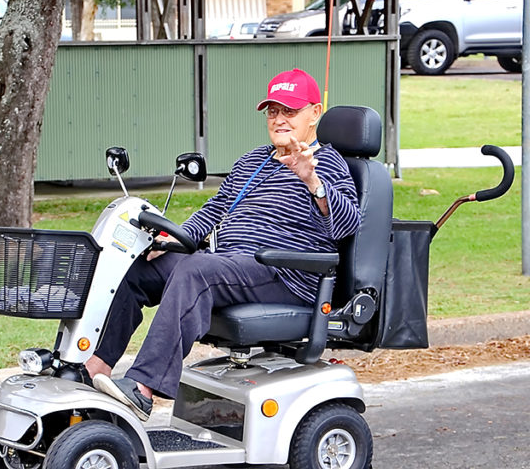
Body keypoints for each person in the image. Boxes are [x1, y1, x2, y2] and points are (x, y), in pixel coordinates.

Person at [88, 68, 361, 421]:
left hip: (284, 273)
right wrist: (176, 237)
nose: (279, 119)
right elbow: (215, 208)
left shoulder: (327, 162)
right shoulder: (254, 160)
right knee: (140, 269)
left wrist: (312, 180)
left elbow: (348, 225)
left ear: (315, 112)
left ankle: (142, 388)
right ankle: (95, 367)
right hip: (231, 263)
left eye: (290, 111)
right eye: (273, 111)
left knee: (196, 271)